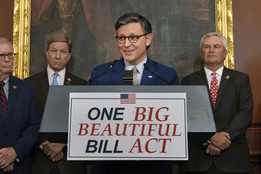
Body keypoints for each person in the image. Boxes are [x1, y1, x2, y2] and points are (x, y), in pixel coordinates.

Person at [89, 13, 179, 174]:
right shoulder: (100, 74)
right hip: (110, 165)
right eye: (121, 38)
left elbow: (175, 121)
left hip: (154, 165)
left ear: (148, 39)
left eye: (133, 38)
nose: (126, 44)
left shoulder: (166, 76)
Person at [181, 32, 253, 174]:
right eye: (206, 47)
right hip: (198, 160)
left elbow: (245, 112)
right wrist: (208, 139)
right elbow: (188, 116)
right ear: (201, 53)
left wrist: (223, 139)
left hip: (233, 158)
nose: (211, 50)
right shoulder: (188, 81)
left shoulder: (241, 79)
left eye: (216, 46)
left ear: (225, 53)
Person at [24, 31, 87, 174]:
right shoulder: (29, 85)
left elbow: (83, 122)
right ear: (47, 53)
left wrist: (63, 143)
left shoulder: (81, 85)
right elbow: (25, 121)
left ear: (69, 56)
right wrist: (44, 144)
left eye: (62, 52)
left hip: (71, 165)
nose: (57, 56)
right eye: (53, 51)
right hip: (37, 162)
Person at [0, 38, 40, 173]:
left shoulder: (26, 89)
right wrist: (2, 160)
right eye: (2, 56)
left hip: (19, 166)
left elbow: (33, 126)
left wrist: (14, 153)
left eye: (10, 54)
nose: (8, 59)